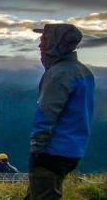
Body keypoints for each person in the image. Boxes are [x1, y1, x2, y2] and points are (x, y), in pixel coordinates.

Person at [27, 24, 95, 200]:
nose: (40, 45)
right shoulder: (84, 72)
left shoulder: (58, 74)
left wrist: (37, 149)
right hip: (73, 149)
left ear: (56, 44)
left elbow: (46, 112)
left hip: (52, 151)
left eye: (45, 40)